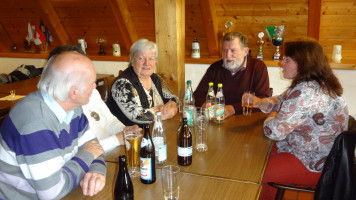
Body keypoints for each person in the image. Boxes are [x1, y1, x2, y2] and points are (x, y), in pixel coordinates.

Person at [241, 39, 349, 200]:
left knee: (254, 172)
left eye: (287, 59)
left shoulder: (307, 92)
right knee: (257, 158)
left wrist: (271, 117)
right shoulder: (314, 83)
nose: (281, 63)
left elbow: (274, 131)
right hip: (315, 153)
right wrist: (259, 102)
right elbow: (280, 101)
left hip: (314, 163)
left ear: (302, 63)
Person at [0, 51, 107, 199]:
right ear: (74, 92)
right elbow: (52, 193)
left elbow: (94, 145)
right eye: (92, 83)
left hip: (67, 191)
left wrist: (96, 170)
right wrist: (87, 155)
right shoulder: (35, 122)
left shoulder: (72, 108)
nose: (95, 87)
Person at [48, 45, 141, 153]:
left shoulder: (92, 93)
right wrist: (116, 139)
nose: (94, 86)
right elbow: (77, 153)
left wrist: (125, 131)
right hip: (95, 161)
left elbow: (110, 121)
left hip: (111, 153)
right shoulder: (58, 108)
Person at [193, 31, 271, 118]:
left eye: (233, 50)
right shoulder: (215, 68)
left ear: (245, 51)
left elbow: (263, 100)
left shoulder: (258, 67)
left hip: (247, 121)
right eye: (225, 50)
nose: (227, 55)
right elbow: (198, 94)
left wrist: (233, 109)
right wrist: (205, 105)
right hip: (219, 119)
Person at [106, 39, 178, 126]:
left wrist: (172, 104)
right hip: (130, 136)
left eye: (151, 58)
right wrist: (166, 111)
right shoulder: (122, 84)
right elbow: (138, 116)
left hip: (154, 131)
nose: (147, 63)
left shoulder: (156, 79)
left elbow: (174, 99)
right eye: (141, 58)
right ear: (132, 61)